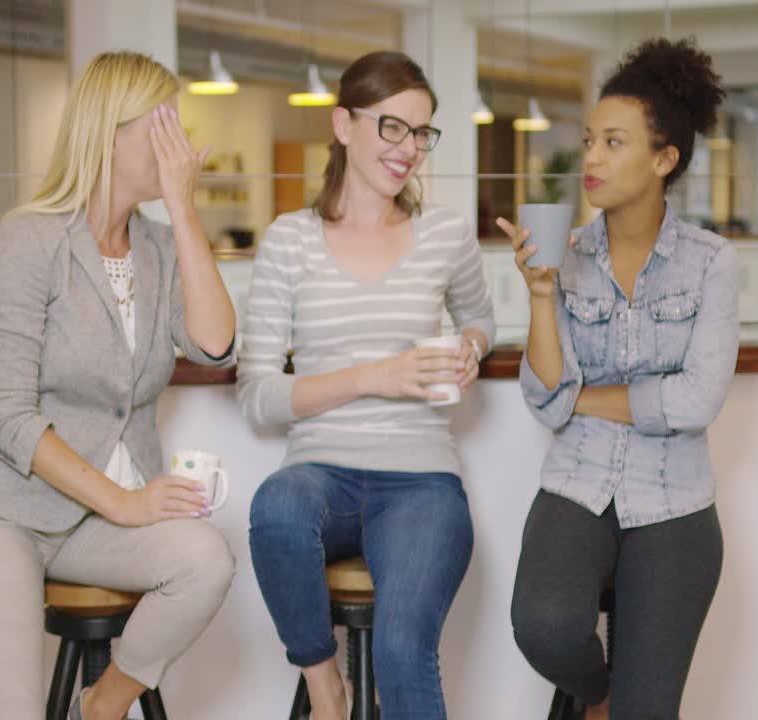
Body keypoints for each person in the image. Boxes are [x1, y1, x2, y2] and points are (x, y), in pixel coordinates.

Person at [0, 51, 236, 720]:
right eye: (166, 128)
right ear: (112, 133)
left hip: (94, 525)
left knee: (205, 561)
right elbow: (7, 414)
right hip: (3, 515)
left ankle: (99, 707)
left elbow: (215, 347)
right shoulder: (29, 239)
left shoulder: (160, 246)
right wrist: (126, 503)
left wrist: (186, 213)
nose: (183, 147)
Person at [238, 51, 495, 720]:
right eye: (392, 128)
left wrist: (471, 346)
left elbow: (480, 318)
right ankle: (327, 693)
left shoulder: (444, 233)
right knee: (276, 510)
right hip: (322, 472)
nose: (409, 149)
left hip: (421, 481)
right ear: (343, 124)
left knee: (404, 651)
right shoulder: (288, 241)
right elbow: (259, 396)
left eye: (421, 133)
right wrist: (375, 376)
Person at [501, 37, 738, 720]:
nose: (593, 160)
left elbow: (698, 401)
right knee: (543, 624)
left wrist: (588, 398)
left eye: (614, 142)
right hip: (577, 483)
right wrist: (542, 294)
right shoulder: (565, 255)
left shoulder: (711, 262)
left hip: (676, 498)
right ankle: (597, 696)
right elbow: (548, 401)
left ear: (663, 159)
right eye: (590, 142)